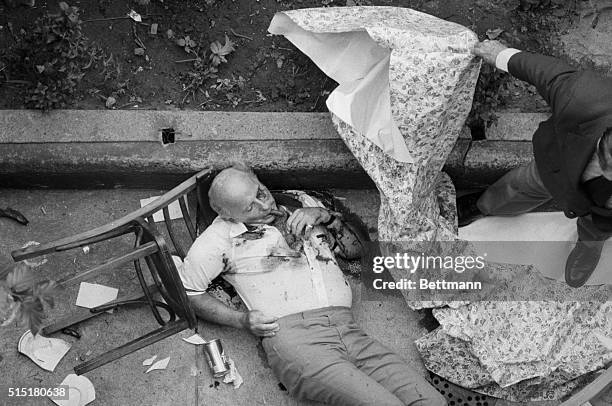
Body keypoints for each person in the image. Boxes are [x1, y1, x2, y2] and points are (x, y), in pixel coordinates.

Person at [178, 163, 446, 406]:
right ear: (229, 215)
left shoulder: (299, 204)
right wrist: (241, 320)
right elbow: (189, 292)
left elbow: (357, 250)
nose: (263, 203)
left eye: (260, 191)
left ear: (257, 179)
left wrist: (325, 217)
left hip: (348, 330)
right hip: (296, 340)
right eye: (250, 207)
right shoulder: (220, 238)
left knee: (433, 402)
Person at [459, 40, 612, 288]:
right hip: (556, 167)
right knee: (520, 186)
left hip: (604, 212)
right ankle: (484, 205)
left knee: (598, 227)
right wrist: (502, 55)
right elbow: (547, 73)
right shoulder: (584, 96)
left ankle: (590, 246)